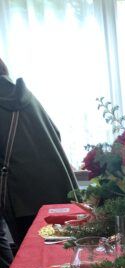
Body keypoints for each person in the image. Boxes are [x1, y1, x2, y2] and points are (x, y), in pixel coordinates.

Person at [0, 58, 78, 252]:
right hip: (60, 187)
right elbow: (56, 133)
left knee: (32, 257)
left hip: (22, 197)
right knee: (62, 253)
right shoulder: (26, 96)